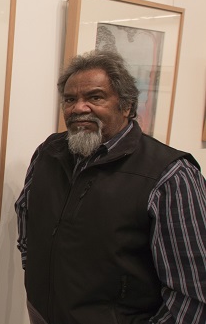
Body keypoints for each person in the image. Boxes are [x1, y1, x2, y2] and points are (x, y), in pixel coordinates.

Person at [15, 50, 206, 324]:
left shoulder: (170, 175)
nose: (79, 108)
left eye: (95, 97)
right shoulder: (49, 152)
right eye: (70, 99)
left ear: (126, 105)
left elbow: (194, 293)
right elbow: (26, 218)